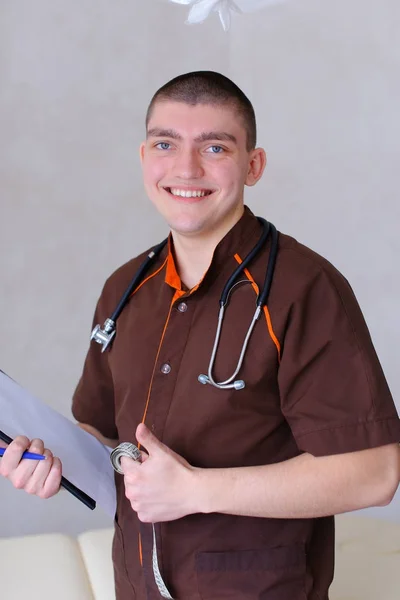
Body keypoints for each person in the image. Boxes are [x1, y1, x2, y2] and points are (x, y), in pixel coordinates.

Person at [1, 71, 400, 600]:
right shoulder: (125, 289)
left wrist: (196, 490)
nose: (186, 168)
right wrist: (48, 462)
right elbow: (102, 441)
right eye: (166, 144)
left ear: (252, 166)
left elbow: (374, 472)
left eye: (214, 147)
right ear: (144, 158)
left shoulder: (305, 289)